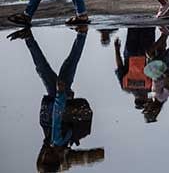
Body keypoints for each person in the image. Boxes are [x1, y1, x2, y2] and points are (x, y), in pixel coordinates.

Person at [8, 27, 105, 171]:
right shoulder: (56, 141)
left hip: (62, 99)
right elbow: (57, 117)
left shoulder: (61, 146)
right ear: (55, 159)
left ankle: (81, 34)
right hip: (58, 97)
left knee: (65, 65)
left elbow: (91, 154)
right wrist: (60, 95)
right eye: (48, 160)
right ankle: (29, 38)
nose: (45, 156)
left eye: (43, 159)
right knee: (49, 67)